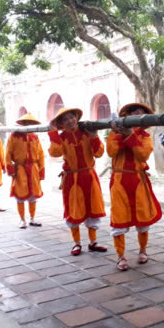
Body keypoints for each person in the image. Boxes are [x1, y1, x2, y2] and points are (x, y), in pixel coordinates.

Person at [107, 102, 162, 271]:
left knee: (143, 217)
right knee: (118, 219)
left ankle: (143, 251)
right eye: (134, 113)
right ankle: (120, 256)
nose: (137, 116)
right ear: (127, 116)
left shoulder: (145, 136)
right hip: (119, 181)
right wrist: (118, 134)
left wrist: (130, 135)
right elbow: (111, 151)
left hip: (139, 181)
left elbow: (143, 154)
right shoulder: (114, 133)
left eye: (141, 114)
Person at [48, 107, 107, 255]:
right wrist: (53, 134)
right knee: (73, 209)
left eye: (71, 117)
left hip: (89, 176)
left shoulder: (87, 132)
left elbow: (99, 153)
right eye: (65, 119)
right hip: (71, 179)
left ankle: (93, 242)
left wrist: (94, 136)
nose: (70, 121)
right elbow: (55, 152)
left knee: (92, 208)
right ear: (61, 123)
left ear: (76, 117)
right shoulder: (61, 138)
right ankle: (76, 244)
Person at [6, 113, 46, 228]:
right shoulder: (13, 136)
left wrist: (41, 171)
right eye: (27, 123)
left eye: (31, 123)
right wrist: (11, 171)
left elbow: (41, 154)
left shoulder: (34, 137)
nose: (29, 125)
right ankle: (22, 219)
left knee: (33, 196)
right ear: (22, 124)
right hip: (20, 169)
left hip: (33, 169)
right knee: (20, 195)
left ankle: (32, 218)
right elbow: (8, 154)